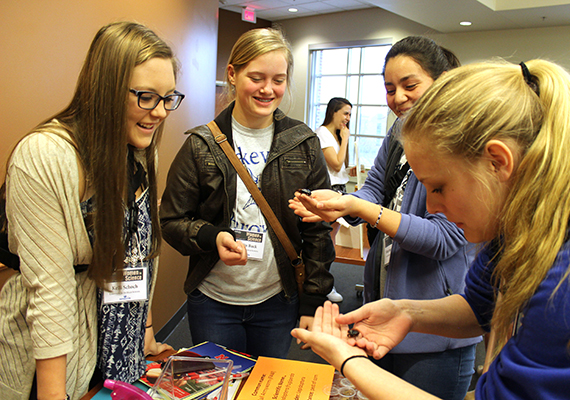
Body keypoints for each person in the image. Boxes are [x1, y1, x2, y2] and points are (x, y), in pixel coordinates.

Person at [292, 59, 570, 400]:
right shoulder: (513, 231)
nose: (433, 207)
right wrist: (406, 312)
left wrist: (350, 360)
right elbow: (477, 307)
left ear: (498, 162)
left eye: (437, 188)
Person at [0, 21, 183, 400]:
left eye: (168, 98)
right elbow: (50, 289)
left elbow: (141, 251)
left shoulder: (139, 147)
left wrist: (145, 332)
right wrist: (53, 394)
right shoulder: (45, 156)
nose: (161, 112)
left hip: (118, 347)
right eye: (146, 96)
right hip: (53, 353)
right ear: (106, 90)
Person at [290, 36, 479, 400]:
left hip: (435, 331)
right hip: (385, 312)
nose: (398, 98)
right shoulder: (398, 132)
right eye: (390, 89)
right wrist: (344, 203)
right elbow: (374, 188)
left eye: (410, 85)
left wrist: (364, 210)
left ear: (441, 83)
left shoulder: (459, 142)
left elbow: (444, 238)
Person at [159, 27, 335, 359]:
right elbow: (171, 221)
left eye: (279, 79)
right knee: (219, 389)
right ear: (233, 74)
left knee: (264, 389)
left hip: (278, 300)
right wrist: (212, 237)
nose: (268, 89)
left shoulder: (302, 142)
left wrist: (314, 300)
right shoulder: (201, 145)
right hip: (213, 302)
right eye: (257, 77)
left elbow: (318, 229)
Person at [315, 97, 353, 303]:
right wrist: (345, 138)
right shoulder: (323, 134)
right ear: (333, 112)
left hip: (339, 188)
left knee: (330, 241)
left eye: (349, 114)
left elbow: (339, 168)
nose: (347, 118)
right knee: (325, 241)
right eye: (345, 113)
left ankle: (324, 282)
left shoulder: (335, 135)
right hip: (329, 190)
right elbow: (336, 165)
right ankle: (323, 284)